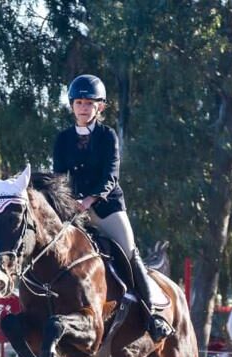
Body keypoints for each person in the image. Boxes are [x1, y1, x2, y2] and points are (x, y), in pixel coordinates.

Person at [52, 74, 174, 342]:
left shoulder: (108, 137)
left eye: (89, 103)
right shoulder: (62, 140)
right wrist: (67, 203)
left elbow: (110, 175)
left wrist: (89, 200)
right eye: (79, 102)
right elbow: (59, 177)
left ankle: (152, 314)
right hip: (73, 211)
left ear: (100, 107)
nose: (83, 108)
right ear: (72, 105)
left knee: (129, 252)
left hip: (106, 208)